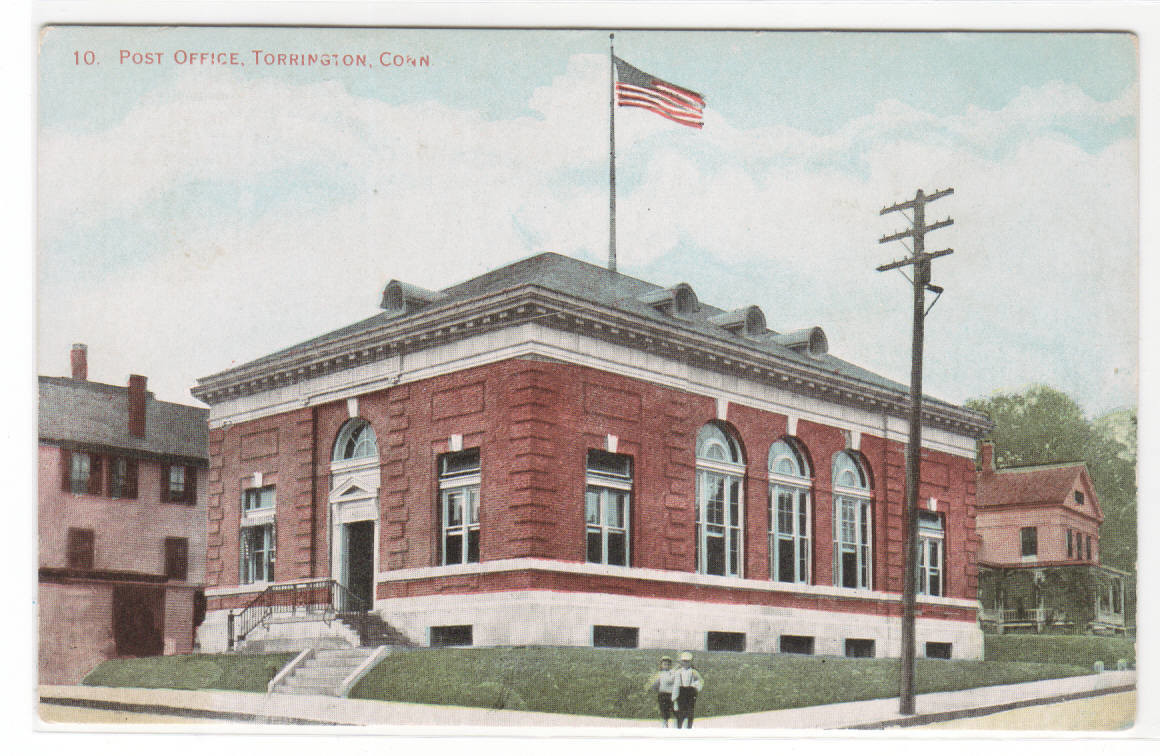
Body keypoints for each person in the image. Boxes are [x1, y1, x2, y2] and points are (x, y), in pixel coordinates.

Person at [669, 651, 704, 729]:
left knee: (690, 711)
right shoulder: (678, 672)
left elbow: (700, 681)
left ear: (691, 662)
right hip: (681, 692)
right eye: (684, 661)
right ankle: (679, 728)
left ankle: (688, 727)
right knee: (680, 711)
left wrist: (696, 687)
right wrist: (674, 698)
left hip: (691, 692)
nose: (686, 663)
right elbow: (676, 685)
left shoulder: (694, 672)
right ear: (681, 662)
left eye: (688, 661)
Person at [644, 655, 677, 727]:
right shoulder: (659, 674)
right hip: (662, 695)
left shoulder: (673, 673)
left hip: (672, 695)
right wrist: (651, 687)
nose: (666, 666)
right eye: (664, 664)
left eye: (668, 664)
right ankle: (664, 725)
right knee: (664, 711)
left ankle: (676, 726)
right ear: (661, 665)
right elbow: (654, 684)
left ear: (670, 665)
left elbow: (675, 681)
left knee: (675, 711)